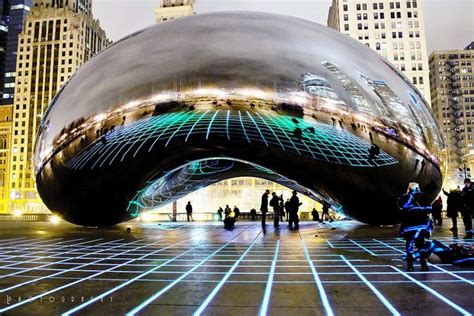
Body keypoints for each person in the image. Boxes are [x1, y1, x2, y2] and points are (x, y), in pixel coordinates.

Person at [398, 183, 433, 271]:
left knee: (409, 245)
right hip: (420, 226)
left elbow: (401, 209)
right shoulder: (422, 196)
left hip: (409, 227)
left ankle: (410, 265)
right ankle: (423, 265)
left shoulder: (404, 198)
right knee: (421, 245)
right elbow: (429, 208)